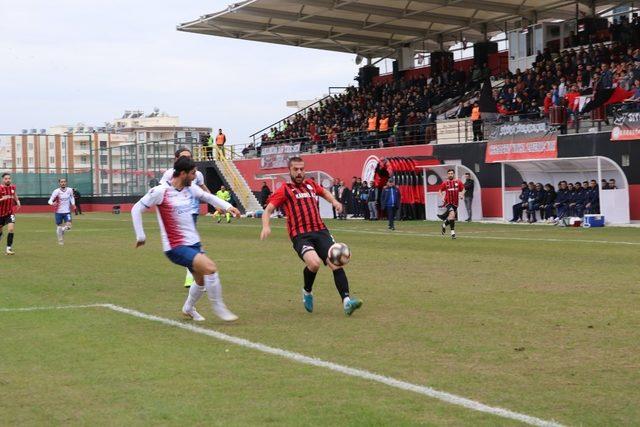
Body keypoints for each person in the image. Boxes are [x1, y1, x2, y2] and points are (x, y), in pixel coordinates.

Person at [132, 156, 241, 322]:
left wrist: (228, 207)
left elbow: (209, 197)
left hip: (194, 243)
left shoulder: (190, 189)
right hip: (175, 246)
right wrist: (141, 235)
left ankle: (188, 308)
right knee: (210, 268)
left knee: (201, 280)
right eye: (192, 173)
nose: (195, 176)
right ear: (182, 174)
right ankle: (219, 307)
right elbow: (136, 208)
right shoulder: (161, 191)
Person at [260, 156, 363, 316]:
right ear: (290, 170)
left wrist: (335, 202)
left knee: (336, 263)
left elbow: (325, 192)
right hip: (301, 235)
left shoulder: (311, 185)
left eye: (302, 169)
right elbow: (268, 210)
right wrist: (266, 226)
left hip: (321, 231)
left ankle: (347, 302)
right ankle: (307, 291)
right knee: (314, 264)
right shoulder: (285, 190)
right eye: (296, 169)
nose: (300, 172)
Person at [160, 147, 211, 287]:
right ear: (176, 159)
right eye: (184, 156)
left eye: (189, 157)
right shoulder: (169, 174)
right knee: (187, 244)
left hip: (193, 211)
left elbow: (203, 187)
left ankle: (196, 275)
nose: (188, 159)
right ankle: (194, 275)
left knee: (190, 243)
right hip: (178, 213)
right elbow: (163, 191)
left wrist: (214, 201)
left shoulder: (197, 174)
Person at [438, 169, 465, 239]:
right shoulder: (445, 183)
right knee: (452, 214)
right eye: (449, 173)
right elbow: (440, 191)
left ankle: (444, 224)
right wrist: (442, 197)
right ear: (447, 175)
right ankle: (452, 232)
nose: (450, 174)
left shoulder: (458, 182)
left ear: (454, 174)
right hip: (448, 202)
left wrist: (462, 195)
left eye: (451, 173)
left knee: (451, 217)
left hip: (455, 203)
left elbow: (463, 189)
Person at [47, 178, 75, 245]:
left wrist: (73, 204)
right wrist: (52, 203)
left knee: (69, 226)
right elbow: (50, 201)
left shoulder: (70, 190)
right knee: (59, 226)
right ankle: (60, 240)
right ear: (59, 183)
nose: (63, 183)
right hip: (58, 212)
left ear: (66, 183)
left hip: (67, 211)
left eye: (64, 182)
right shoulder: (56, 191)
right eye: (61, 182)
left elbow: (71, 197)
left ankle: (62, 230)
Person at [0, 173, 21, 255]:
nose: (8, 180)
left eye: (9, 178)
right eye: (6, 178)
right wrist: (2, 198)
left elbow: (14, 194)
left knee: (11, 229)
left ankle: (8, 248)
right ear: (3, 180)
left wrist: (18, 201)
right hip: (0, 213)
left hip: (10, 212)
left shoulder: (13, 187)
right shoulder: (0, 188)